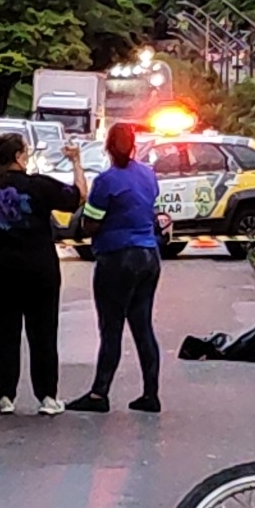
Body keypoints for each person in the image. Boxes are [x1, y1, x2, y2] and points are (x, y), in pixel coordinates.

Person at [0, 132, 87, 415]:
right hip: (39, 270)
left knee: (3, 334)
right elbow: (79, 196)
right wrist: (76, 162)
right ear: (21, 157)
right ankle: (47, 396)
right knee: (43, 333)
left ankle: (5, 396)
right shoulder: (39, 186)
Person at [66, 122, 163, 414]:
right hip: (149, 255)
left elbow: (91, 223)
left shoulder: (106, 181)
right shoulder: (148, 174)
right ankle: (150, 394)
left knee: (111, 328)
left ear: (107, 147)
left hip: (117, 258)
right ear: (134, 146)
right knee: (143, 326)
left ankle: (99, 394)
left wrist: (85, 226)